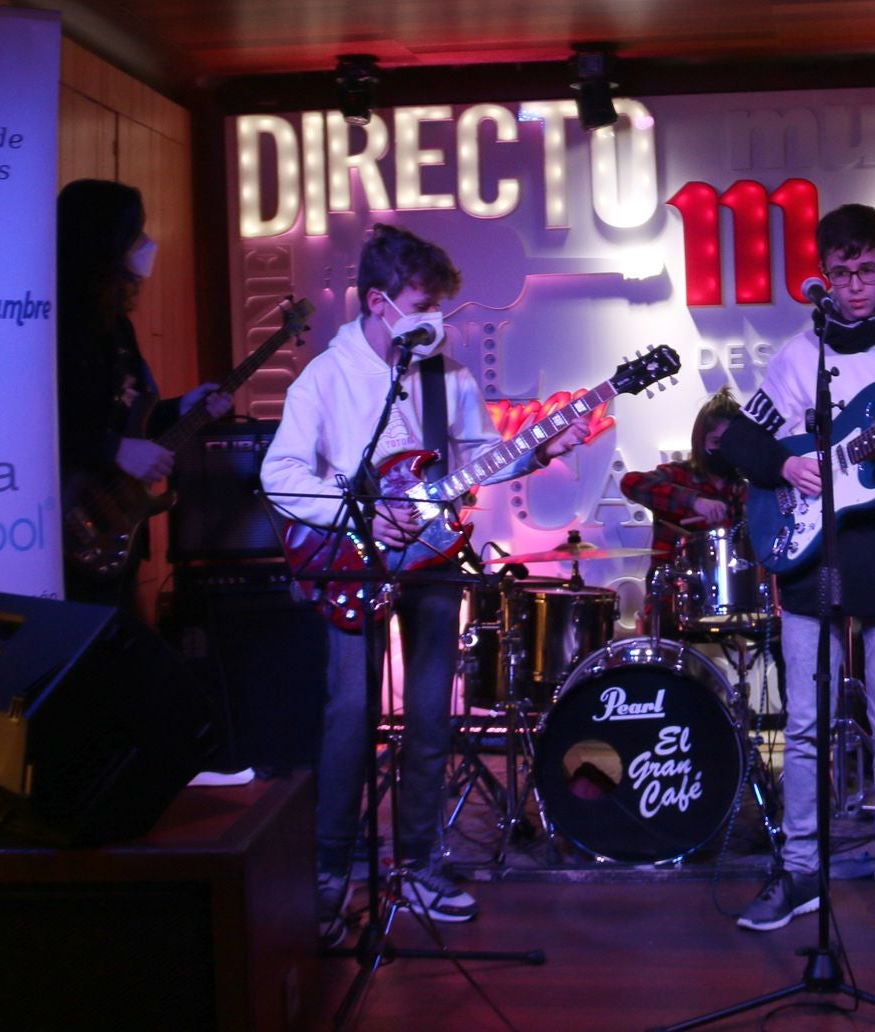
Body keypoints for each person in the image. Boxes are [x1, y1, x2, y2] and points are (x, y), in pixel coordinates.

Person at [260, 224, 589, 945]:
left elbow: (474, 460)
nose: (436, 317)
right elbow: (280, 475)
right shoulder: (327, 376)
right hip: (355, 563)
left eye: (441, 303)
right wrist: (357, 516)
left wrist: (538, 450)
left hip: (434, 563)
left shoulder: (449, 377)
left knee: (432, 720)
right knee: (348, 718)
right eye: (421, 302)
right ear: (378, 302)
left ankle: (419, 865)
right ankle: (328, 877)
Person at [715, 203, 875, 946]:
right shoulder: (801, 355)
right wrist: (784, 463)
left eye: (868, 270)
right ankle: (799, 871)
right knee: (804, 727)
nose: (856, 286)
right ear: (822, 275)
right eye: (842, 272)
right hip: (813, 555)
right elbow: (736, 439)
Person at [55, 179, 228, 608]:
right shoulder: (52, 322)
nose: (146, 245)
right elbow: (35, 420)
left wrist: (181, 409)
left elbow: (130, 415)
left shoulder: (117, 325)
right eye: (136, 234)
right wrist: (111, 449)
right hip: (65, 524)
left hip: (116, 526)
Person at [621, 388, 748, 636]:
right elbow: (630, 483)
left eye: (732, 444)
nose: (725, 451)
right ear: (701, 442)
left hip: (730, 598)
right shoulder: (679, 475)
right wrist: (693, 501)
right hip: (671, 601)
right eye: (717, 443)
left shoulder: (741, 489)